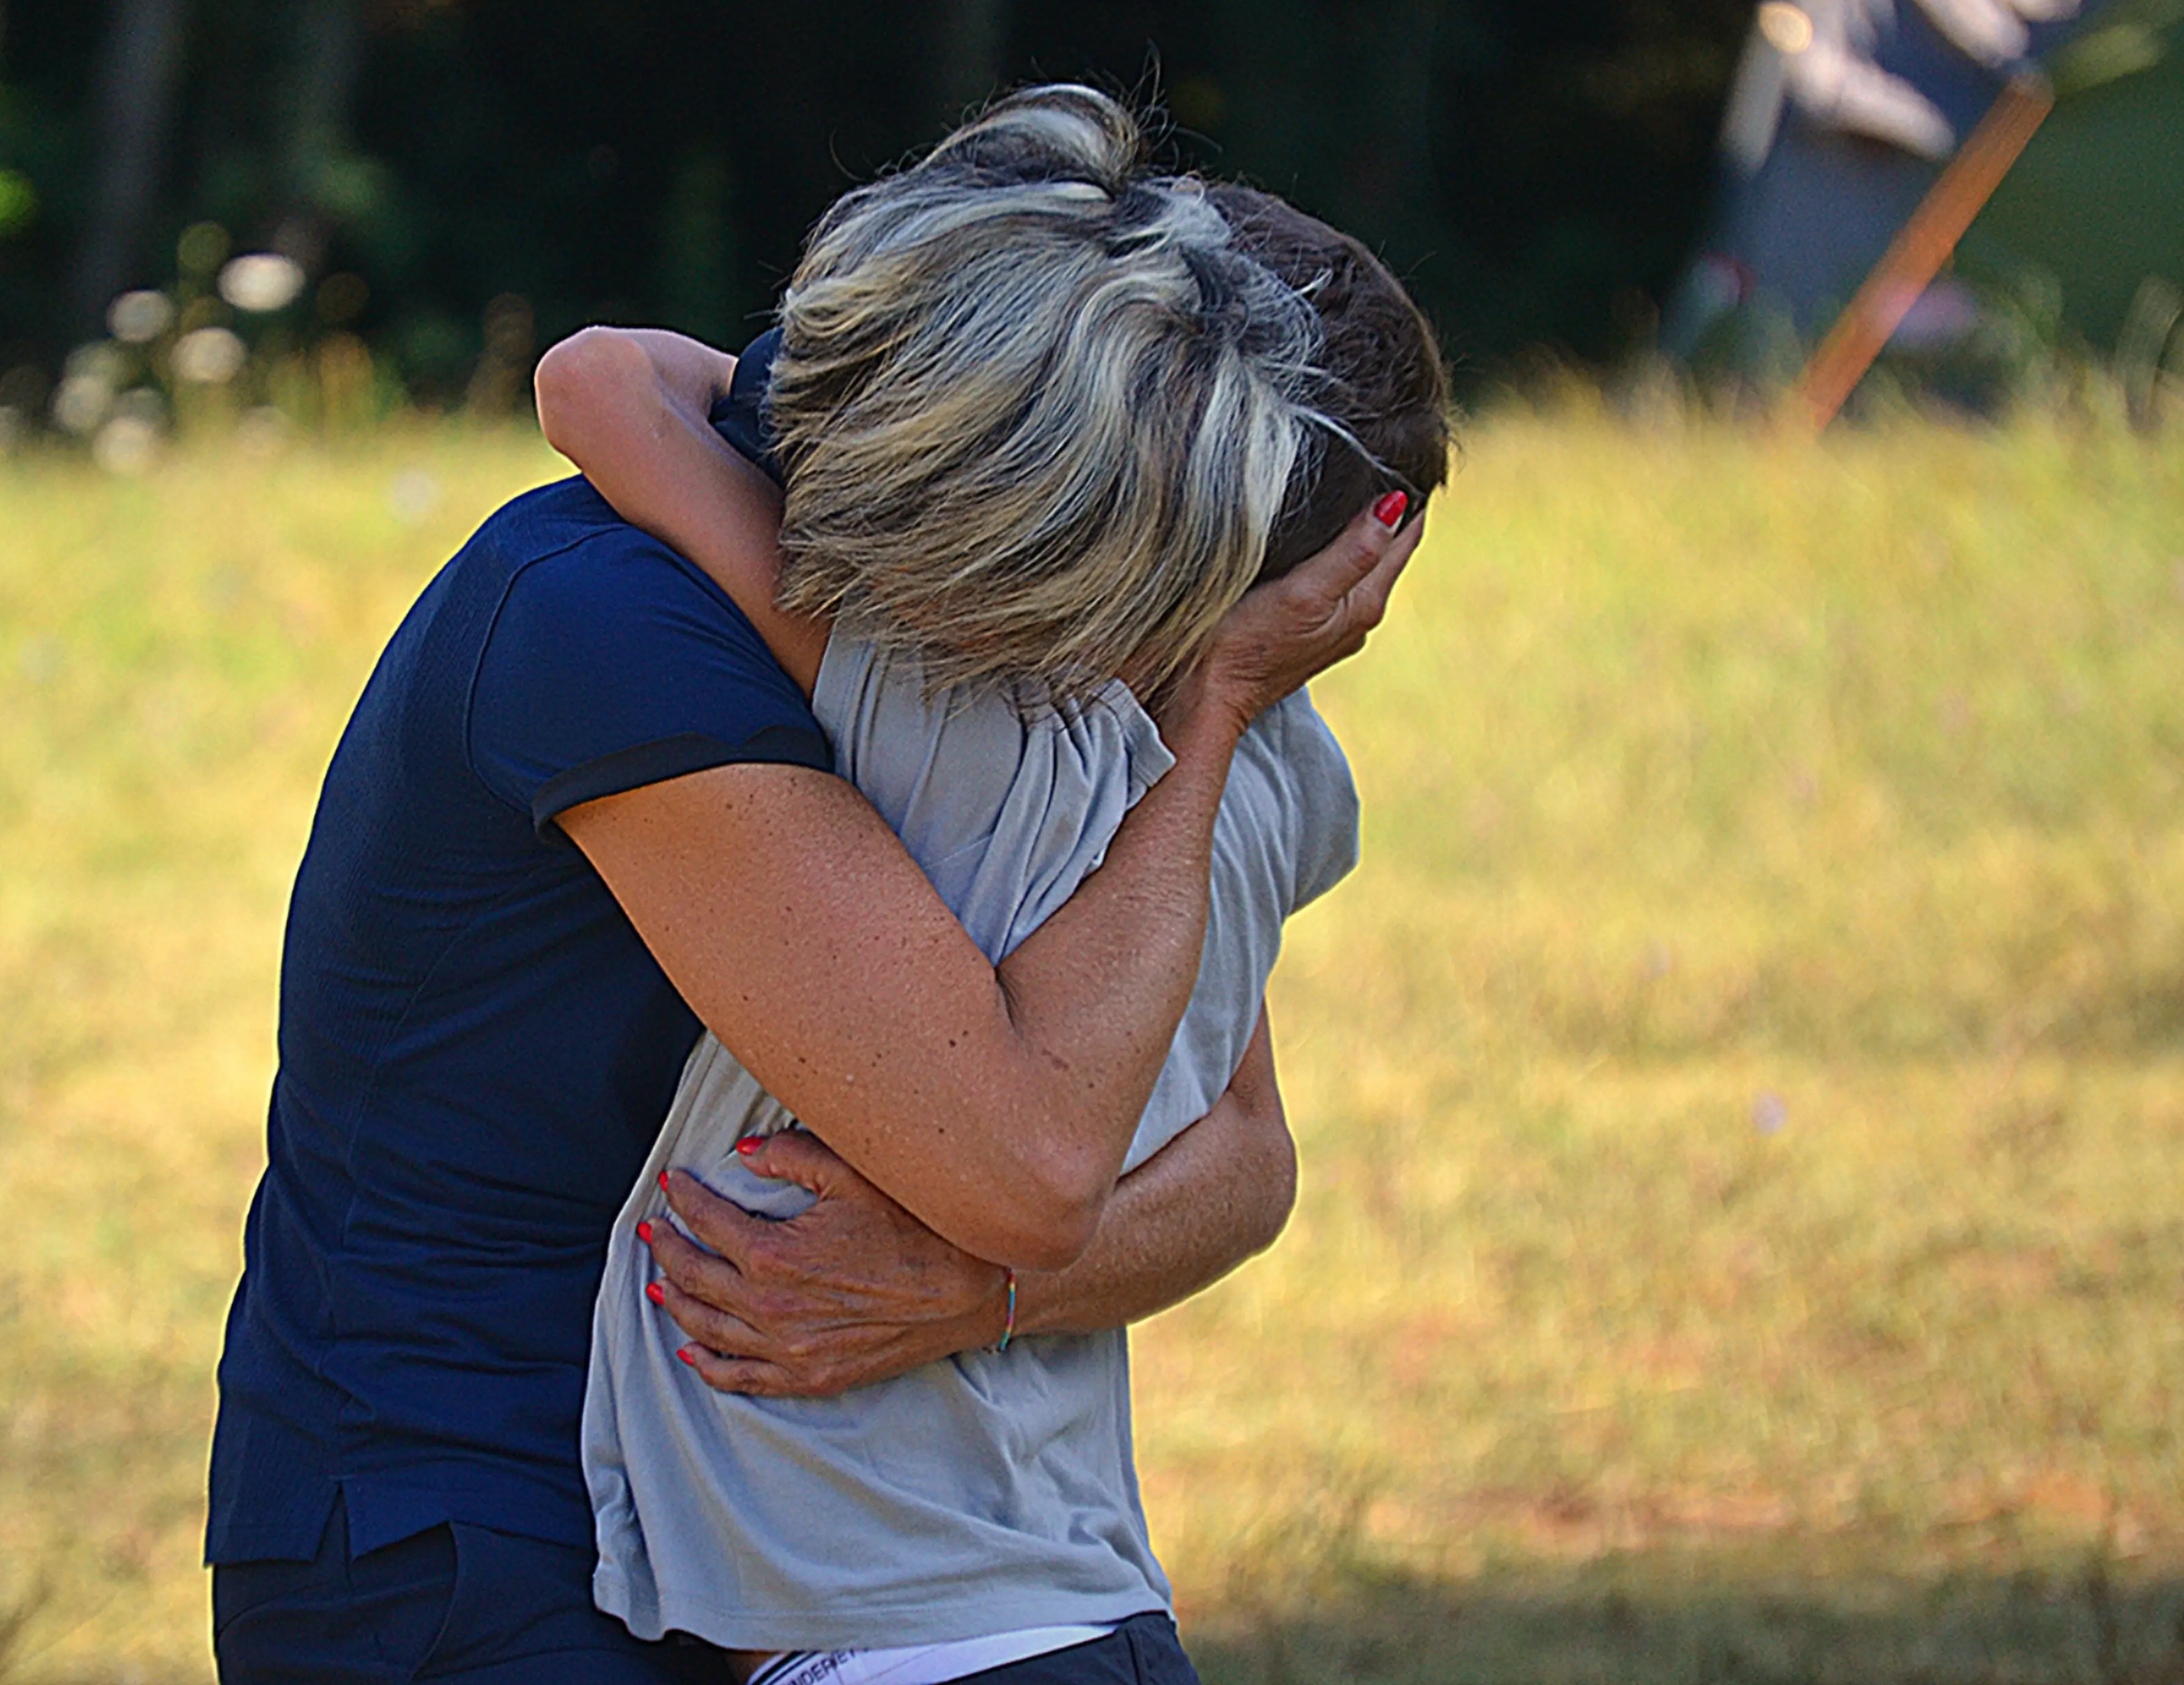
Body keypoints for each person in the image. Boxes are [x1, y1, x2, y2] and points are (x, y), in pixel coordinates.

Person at [205, 85, 1425, 1683]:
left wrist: (973, 1299)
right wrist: (1210, 718)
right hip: (468, 1527)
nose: (1127, 658)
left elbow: (1241, 1161)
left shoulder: (1003, 699)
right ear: (993, 514)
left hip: (763, 1551)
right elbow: (1041, 1168)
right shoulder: (614, 627)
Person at [550, 102, 1449, 1678]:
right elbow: (1252, 1158)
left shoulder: (944, 729)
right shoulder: (1288, 793)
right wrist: (1236, 688)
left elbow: (598, 385)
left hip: (893, 1622)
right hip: (1073, 1584)